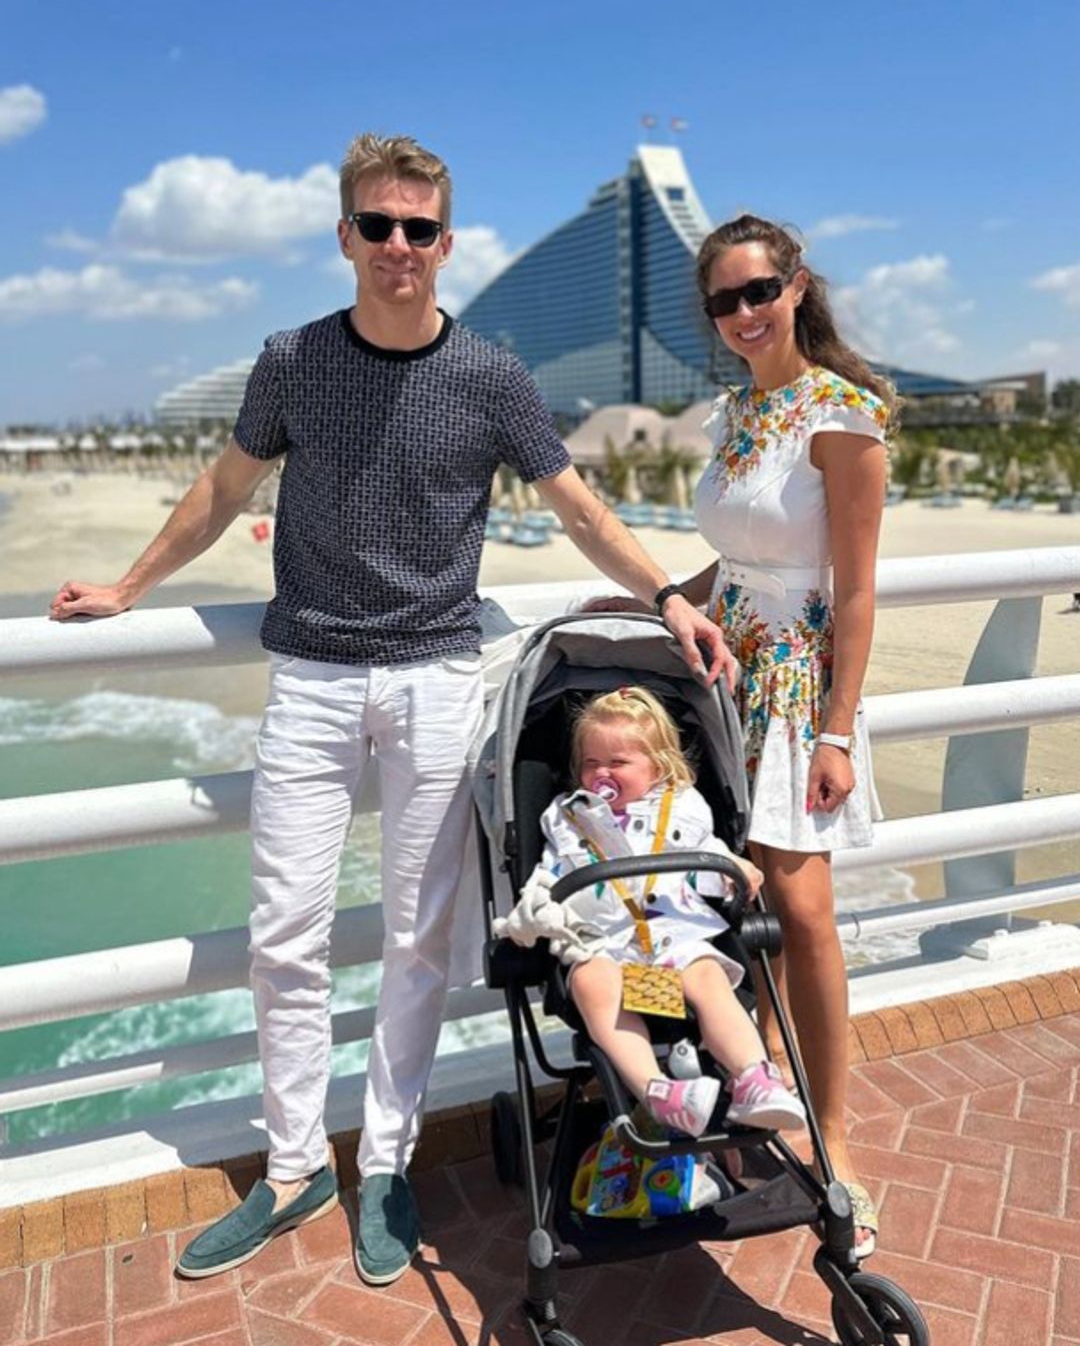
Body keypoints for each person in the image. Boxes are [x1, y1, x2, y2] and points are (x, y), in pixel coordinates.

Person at [49, 133, 736, 1287]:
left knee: (419, 941)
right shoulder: (293, 360)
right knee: (282, 936)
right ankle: (288, 1168)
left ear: (446, 243)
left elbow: (576, 506)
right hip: (311, 677)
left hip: (433, 680)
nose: (400, 248)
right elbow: (223, 488)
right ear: (346, 236)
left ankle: (388, 1163)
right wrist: (128, 586)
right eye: (379, 226)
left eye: (420, 229)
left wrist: (666, 592)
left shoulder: (490, 375)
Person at [589, 214, 894, 1257]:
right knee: (747, 894)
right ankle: (759, 1068)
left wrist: (837, 734)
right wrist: (674, 604)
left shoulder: (842, 414)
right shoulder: (740, 409)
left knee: (804, 909)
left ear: (797, 287)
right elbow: (741, 558)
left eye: (759, 291)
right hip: (729, 677)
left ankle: (836, 1142)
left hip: (800, 689)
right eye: (724, 302)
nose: (744, 315)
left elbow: (854, 593)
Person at [496, 687, 806, 1138]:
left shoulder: (683, 805)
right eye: (590, 763)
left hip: (675, 938)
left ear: (658, 767)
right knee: (589, 979)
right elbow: (549, 873)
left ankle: (753, 1079)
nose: (601, 773)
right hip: (605, 943)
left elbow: (705, 856)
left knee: (709, 978)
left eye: (617, 764)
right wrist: (534, 912)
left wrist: (733, 870)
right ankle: (658, 1093)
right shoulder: (566, 817)